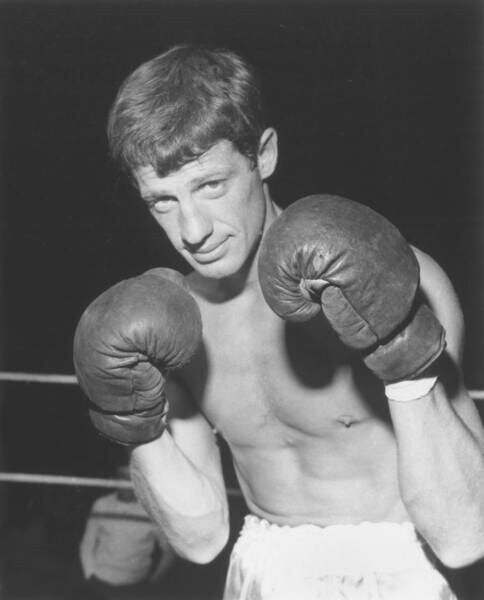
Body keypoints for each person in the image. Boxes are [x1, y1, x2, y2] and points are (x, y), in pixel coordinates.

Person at [73, 44, 484, 599]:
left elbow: (466, 536)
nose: (192, 229)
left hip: (399, 568)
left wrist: (403, 354)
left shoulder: (394, 276)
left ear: (263, 155)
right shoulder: (173, 324)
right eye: (162, 201)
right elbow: (200, 538)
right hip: (261, 570)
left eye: (210, 185)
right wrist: (134, 423)